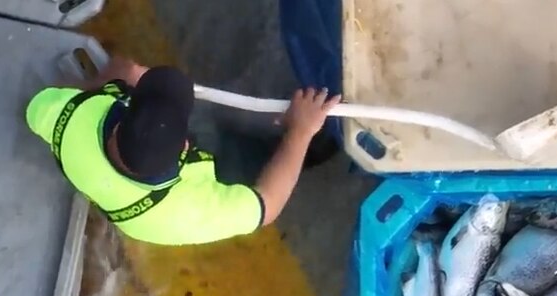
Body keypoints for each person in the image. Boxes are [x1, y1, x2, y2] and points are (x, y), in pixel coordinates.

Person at [24, 55, 340, 246]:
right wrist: (301, 132)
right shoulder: (185, 211)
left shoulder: (67, 118)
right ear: (185, 147)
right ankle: (311, 146)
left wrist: (116, 76)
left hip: (117, 173)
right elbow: (267, 207)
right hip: (183, 192)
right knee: (251, 159)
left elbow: (40, 106)